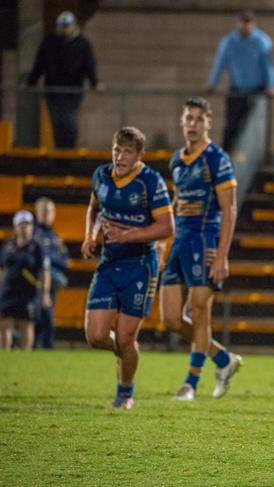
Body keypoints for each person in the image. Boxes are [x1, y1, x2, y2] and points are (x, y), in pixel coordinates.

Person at [81, 127, 174, 409]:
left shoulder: (150, 182)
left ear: (139, 156)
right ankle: (124, 351)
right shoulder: (101, 176)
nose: (119, 156)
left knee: (125, 336)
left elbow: (167, 227)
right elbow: (94, 208)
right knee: (96, 336)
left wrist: (127, 235)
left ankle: (125, 392)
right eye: (116, 150)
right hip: (109, 262)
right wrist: (90, 235)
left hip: (140, 265)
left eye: (127, 152)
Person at [160, 97, 242, 401]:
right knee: (170, 318)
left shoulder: (217, 159)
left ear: (209, 122)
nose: (193, 124)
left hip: (205, 241)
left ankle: (190, 384)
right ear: (182, 122)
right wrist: (161, 241)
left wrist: (221, 255)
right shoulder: (177, 160)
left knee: (199, 311)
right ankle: (222, 359)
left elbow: (229, 210)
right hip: (180, 241)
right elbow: (177, 201)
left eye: (198, 119)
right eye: (188, 119)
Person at [27, 10, 103, 148]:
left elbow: (89, 65)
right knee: (57, 123)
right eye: (62, 26)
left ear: (73, 26)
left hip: (72, 91)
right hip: (53, 90)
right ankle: (60, 156)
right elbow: (40, 63)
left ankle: (68, 153)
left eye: (67, 26)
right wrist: (31, 81)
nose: (65, 29)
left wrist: (95, 83)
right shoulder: (50, 42)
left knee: (68, 121)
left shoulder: (82, 44)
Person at [207, 9, 274, 154]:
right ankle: (225, 159)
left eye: (248, 23)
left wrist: (270, 85)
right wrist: (212, 84)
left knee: (255, 130)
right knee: (231, 127)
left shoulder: (262, 41)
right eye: (243, 22)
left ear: (253, 23)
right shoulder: (229, 42)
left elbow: (268, 65)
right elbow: (219, 63)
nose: (246, 26)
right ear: (238, 23)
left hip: (256, 93)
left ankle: (255, 160)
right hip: (237, 91)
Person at [0, 210, 50, 350]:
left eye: (27, 225)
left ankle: (25, 355)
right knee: (4, 323)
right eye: (21, 225)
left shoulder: (37, 248)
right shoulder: (8, 247)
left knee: (26, 323)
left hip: (28, 292)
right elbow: (2, 268)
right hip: (8, 291)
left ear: (32, 227)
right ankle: (5, 352)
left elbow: (45, 271)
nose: (24, 228)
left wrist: (45, 294)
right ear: (15, 227)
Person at [32, 197, 69, 349]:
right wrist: (48, 258)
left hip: (50, 284)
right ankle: (37, 348)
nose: (48, 215)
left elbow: (65, 261)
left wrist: (48, 258)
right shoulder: (34, 234)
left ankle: (45, 348)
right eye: (44, 212)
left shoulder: (55, 237)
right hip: (35, 283)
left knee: (47, 316)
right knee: (38, 317)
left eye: (50, 212)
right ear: (37, 213)